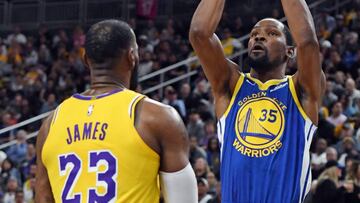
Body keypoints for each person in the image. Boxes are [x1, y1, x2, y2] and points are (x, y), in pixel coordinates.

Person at [35, 19, 197, 203]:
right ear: (132, 57)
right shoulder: (156, 117)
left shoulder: (50, 124)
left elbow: (43, 198)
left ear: (86, 60)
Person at [189, 0, 325, 202]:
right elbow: (199, 33)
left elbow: (307, 42)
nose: (259, 36)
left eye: (272, 33)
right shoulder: (231, 83)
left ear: (290, 50)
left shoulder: (301, 88)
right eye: (253, 34)